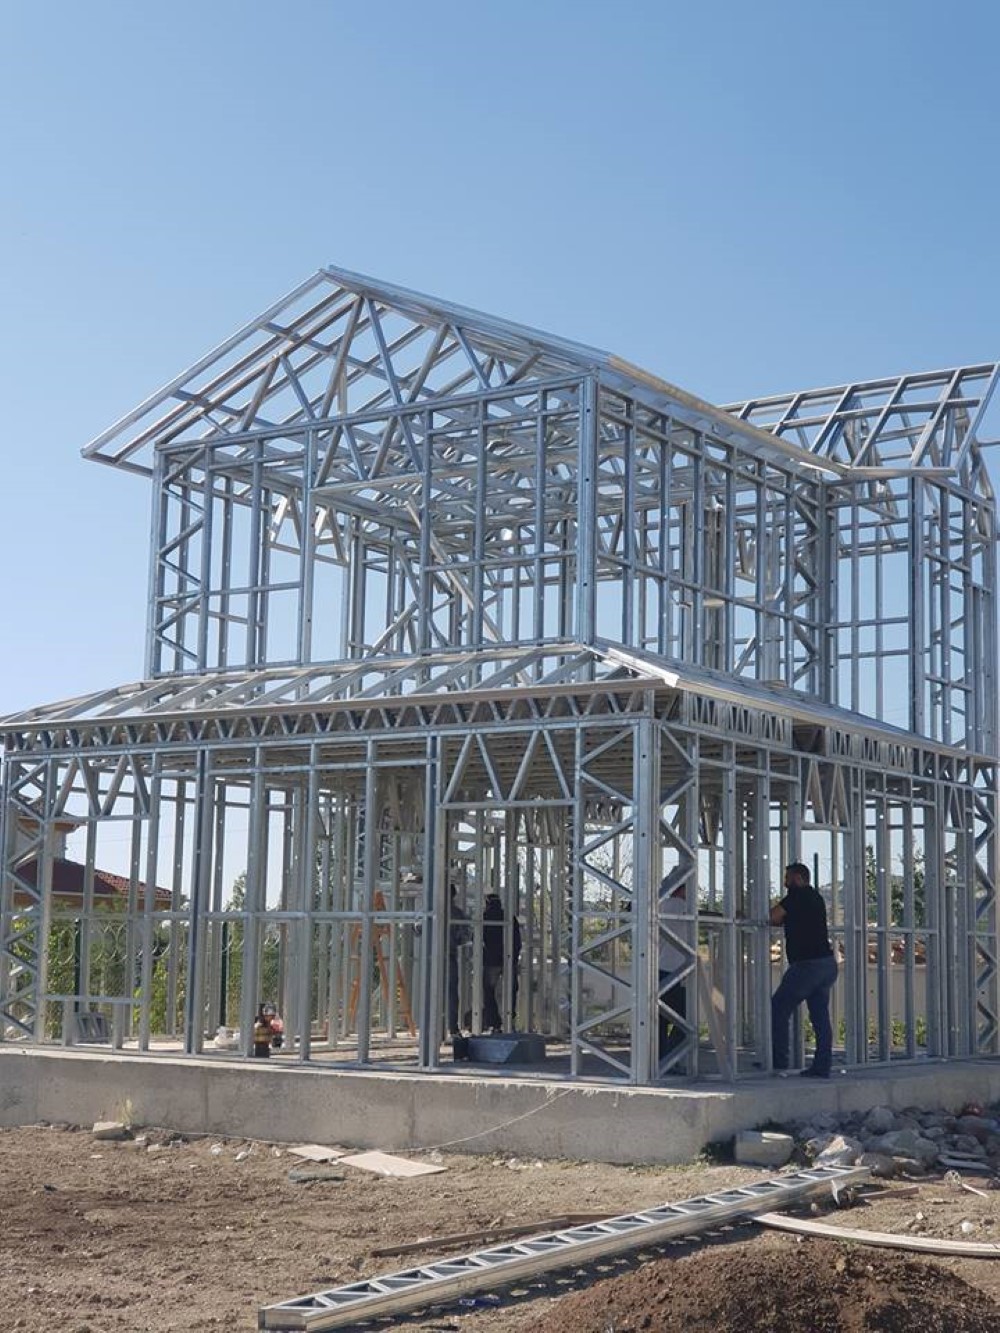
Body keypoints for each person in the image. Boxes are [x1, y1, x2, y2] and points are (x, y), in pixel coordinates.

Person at [770, 862, 838, 1078]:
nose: (785, 882)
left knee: (778, 1008)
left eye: (788, 878)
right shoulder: (815, 898)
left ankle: (778, 1062)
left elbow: (774, 916)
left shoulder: (797, 896)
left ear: (799, 878)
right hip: (827, 963)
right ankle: (822, 1066)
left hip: (808, 965)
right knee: (820, 1017)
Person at [481, 893, 521, 1033]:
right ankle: (510, 1021)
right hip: (508, 959)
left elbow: (477, 939)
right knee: (511, 991)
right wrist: (514, 958)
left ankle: (494, 1023)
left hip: (491, 960)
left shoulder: (485, 917)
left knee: (488, 991)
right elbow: (517, 940)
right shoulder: (509, 916)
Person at [657, 879, 688, 1060]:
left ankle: (660, 1058)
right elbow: (701, 916)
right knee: (686, 1018)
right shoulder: (678, 905)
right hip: (673, 970)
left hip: (659, 968)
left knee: (659, 1019)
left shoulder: (661, 905)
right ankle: (670, 1057)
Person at [447, 886, 472, 1037]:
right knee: (451, 993)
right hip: (449, 955)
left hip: (430, 957)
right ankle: (453, 1027)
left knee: (430, 990)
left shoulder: (428, 909)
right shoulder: (457, 913)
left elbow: (417, 930)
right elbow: (464, 936)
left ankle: (430, 1026)